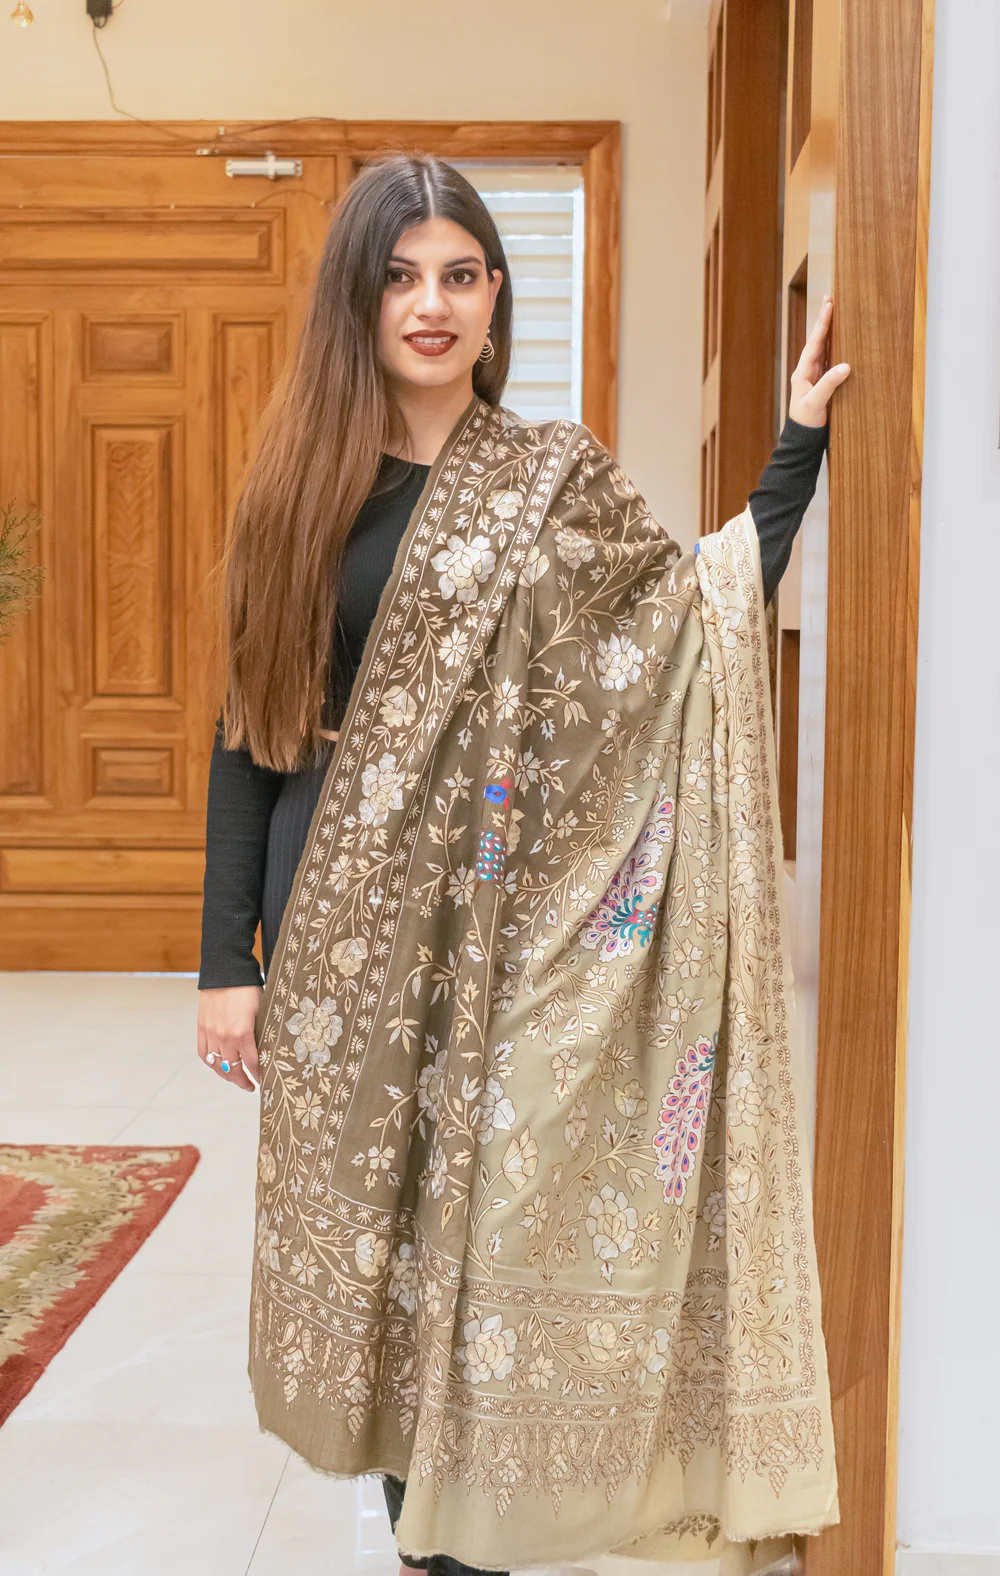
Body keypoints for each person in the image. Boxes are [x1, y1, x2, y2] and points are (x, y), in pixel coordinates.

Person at [197, 155, 849, 1576]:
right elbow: (248, 733)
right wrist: (221, 963)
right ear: (357, 300)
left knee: (480, 1235)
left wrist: (795, 447)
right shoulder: (297, 492)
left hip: (512, 938)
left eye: (459, 275)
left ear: (496, 297)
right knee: (383, 1253)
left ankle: (470, 1536)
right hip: (335, 940)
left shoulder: (555, 481)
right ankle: (416, 1540)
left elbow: (689, 622)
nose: (430, 305)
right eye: (399, 277)